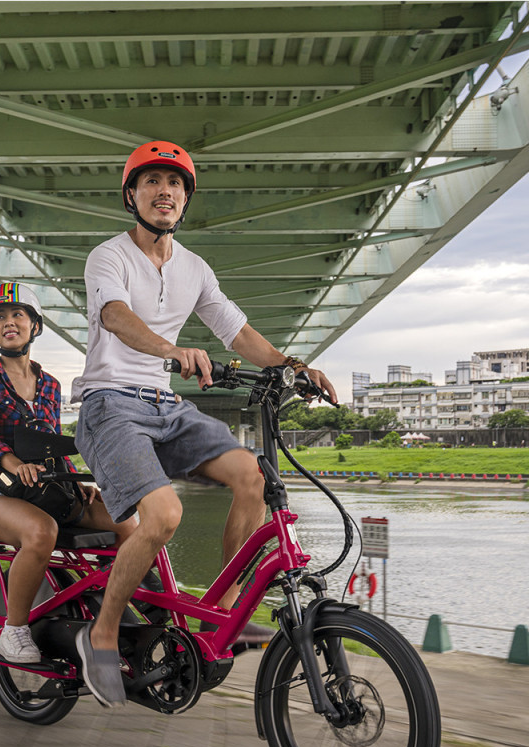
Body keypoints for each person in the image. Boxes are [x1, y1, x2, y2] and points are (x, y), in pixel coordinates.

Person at [71, 141, 337, 707]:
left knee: (253, 479)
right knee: (165, 514)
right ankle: (102, 631)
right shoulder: (108, 257)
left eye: (176, 184)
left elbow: (237, 335)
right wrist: (172, 349)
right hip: (109, 405)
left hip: (166, 408)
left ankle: (226, 611)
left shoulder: (194, 268)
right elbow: (116, 318)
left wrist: (294, 366)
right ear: (132, 195)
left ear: (186, 201)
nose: (165, 191)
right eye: (152, 182)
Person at [0, 282, 136, 664]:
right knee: (41, 532)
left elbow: (51, 443)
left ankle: (111, 605)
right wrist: (16, 464)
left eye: (17, 315)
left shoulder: (50, 385)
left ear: (35, 326)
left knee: (126, 521)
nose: (9, 322)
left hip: (46, 486)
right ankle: (13, 633)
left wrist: (78, 480)